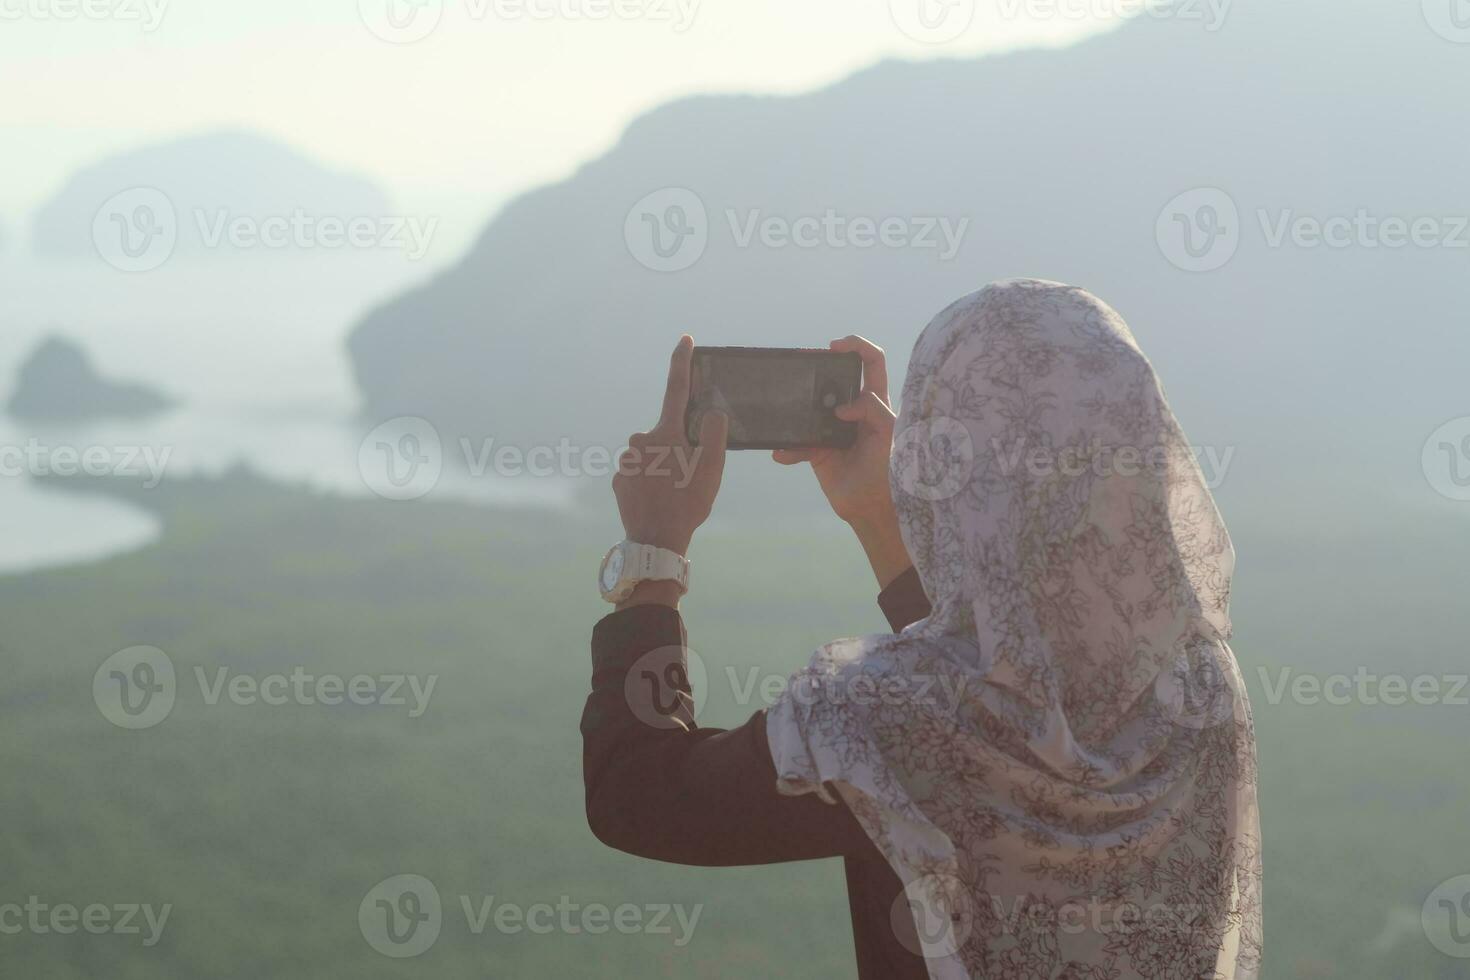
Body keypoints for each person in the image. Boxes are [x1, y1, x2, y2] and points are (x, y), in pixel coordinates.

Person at [581, 278, 1262, 979]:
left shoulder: (892, 718)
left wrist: (654, 554)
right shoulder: (1200, 686)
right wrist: (881, 518)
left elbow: (640, 793)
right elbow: (1004, 698)